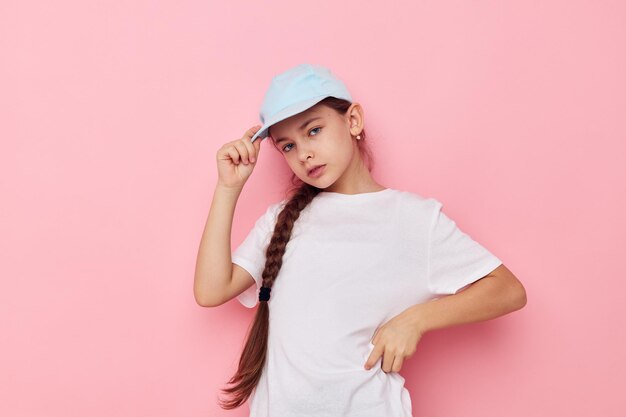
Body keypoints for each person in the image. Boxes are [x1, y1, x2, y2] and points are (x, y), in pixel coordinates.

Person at [194, 63, 527, 417]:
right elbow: (211, 290)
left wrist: (416, 320)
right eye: (288, 146)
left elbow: (508, 290)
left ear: (353, 121)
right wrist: (228, 188)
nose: (303, 153)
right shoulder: (281, 220)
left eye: (314, 130)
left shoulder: (413, 218)